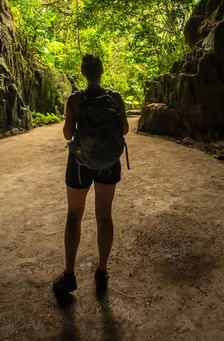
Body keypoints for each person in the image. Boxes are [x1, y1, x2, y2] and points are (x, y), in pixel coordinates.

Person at [53, 53, 129, 296]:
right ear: (102, 71)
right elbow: (125, 129)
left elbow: (67, 134)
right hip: (109, 162)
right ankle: (102, 270)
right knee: (104, 217)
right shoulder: (115, 97)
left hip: (79, 163)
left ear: (84, 73)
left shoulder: (75, 99)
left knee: (74, 215)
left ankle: (69, 275)